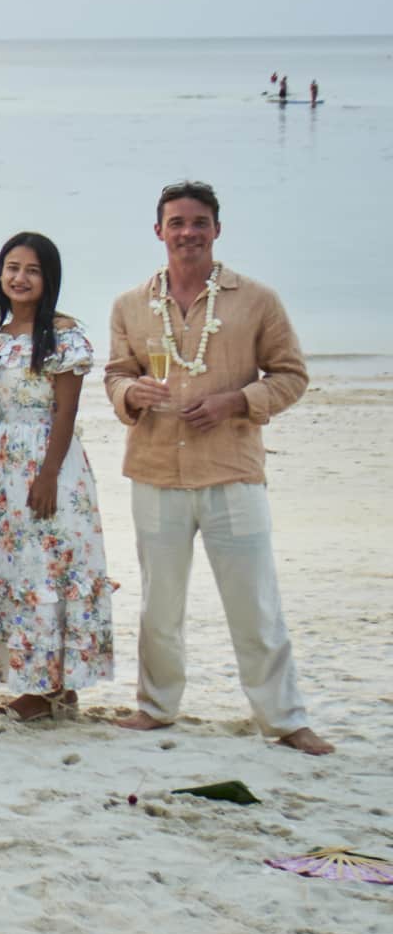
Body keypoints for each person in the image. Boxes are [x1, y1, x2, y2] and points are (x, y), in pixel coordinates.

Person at [102, 181, 330, 755]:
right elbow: (114, 374)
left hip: (232, 469)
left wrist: (237, 402)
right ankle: (156, 707)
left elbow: (292, 376)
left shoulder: (256, 299)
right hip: (155, 470)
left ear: (217, 230)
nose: (187, 233)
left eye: (198, 222)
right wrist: (132, 394)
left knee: (255, 600)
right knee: (159, 602)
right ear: (158, 231)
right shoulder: (131, 303)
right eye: (176, 223)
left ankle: (285, 719)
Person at [0, 232, 113, 723]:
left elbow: (66, 409)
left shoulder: (62, 335)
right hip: (5, 461)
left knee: (50, 567)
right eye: (11, 267)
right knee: (16, 565)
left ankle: (48, 687)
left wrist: (49, 473)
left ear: (48, 278)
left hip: (50, 458)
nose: (19, 277)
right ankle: (45, 684)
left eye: (31, 269)